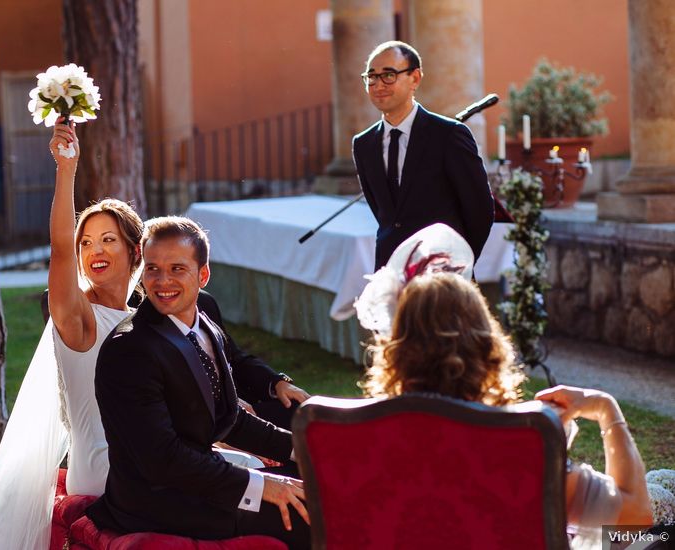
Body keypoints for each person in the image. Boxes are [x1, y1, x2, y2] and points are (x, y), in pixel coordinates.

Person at [364, 273, 653, 540]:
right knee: (663, 514)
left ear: (395, 349)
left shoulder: (354, 446)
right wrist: (606, 407)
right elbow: (636, 521)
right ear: (485, 343)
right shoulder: (518, 450)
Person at [87, 216, 310, 549]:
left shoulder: (203, 325)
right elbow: (162, 460)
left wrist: (304, 450)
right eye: (152, 269)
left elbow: (229, 418)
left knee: (321, 482)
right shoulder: (129, 350)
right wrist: (263, 486)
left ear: (202, 274)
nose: (162, 282)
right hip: (156, 501)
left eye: (177, 269)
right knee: (310, 513)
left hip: (198, 479)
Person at [0, 120, 145, 549]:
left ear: (135, 251)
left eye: (108, 239)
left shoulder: (140, 320)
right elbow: (59, 249)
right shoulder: (80, 317)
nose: (94, 251)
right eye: (87, 242)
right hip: (104, 467)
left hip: (144, 456)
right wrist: (65, 168)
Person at [352, 40, 494, 269]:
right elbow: (385, 214)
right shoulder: (363, 144)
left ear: (415, 78)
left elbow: (480, 210)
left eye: (389, 75)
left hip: (444, 273)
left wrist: (457, 264)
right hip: (389, 273)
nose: (378, 85)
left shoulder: (449, 135)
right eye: (371, 77)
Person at [198, 289, 310, 430]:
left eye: (178, 269)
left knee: (305, 412)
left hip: (241, 410)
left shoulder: (203, 302)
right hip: (202, 420)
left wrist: (277, 382)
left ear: (203, 275)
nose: (165, 282)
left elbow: (235, 358)